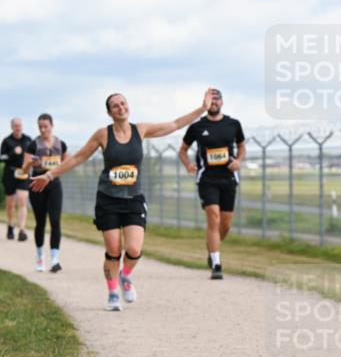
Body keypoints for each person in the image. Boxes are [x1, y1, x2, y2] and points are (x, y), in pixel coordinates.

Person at [31, 89, 212, 311]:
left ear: (128, 106)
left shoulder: (141, 130)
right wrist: (49, 175)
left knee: (134, 249)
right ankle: (113, 292)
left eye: (123, 103)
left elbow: (174, 124)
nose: (121, 107)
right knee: (114, 250)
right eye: (115, 106)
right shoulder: (102, 135)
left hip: (133, 198)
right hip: (108, 199)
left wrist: (202, 109)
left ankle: (125, 276)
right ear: (109, 112)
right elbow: (78, 157)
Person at [179, 88, 246, 280]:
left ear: (222, 102)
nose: (214, 102)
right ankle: (216, 264)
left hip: (228, 179)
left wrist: (238, 161)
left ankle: (212, 248)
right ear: (205, 103)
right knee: (213, 218)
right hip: (207, 179)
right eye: (210, 99)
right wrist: (188, 165)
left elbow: (242, 146)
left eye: (217, 99)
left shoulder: (233, 124)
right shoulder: (197, 127)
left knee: (225, 224)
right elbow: (182, 150)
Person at [22, 114, 68, 272]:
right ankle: (40, 256)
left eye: (45, 126)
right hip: (37, 185)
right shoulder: (33, 145)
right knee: (40, 222)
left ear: (52, 125)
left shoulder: (61, 144)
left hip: (54, 184)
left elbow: (65, 165)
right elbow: (23, 170)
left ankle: (55, 259)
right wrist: (30, 163)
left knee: (55, 220)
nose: (43, 130)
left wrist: (55, 169)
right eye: (40, 127)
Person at [0, 118, 33, 241]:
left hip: (23, 173)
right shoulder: (7, 141)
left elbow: (34, 155)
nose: (18, 127)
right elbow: (1, 157)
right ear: (12, 127)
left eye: (20, 125)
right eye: (15, 126)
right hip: (10, 173)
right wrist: (13, 152)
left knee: (22, 200)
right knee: (10, 204)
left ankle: (22, 230)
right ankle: (10, 225)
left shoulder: (28, 140)